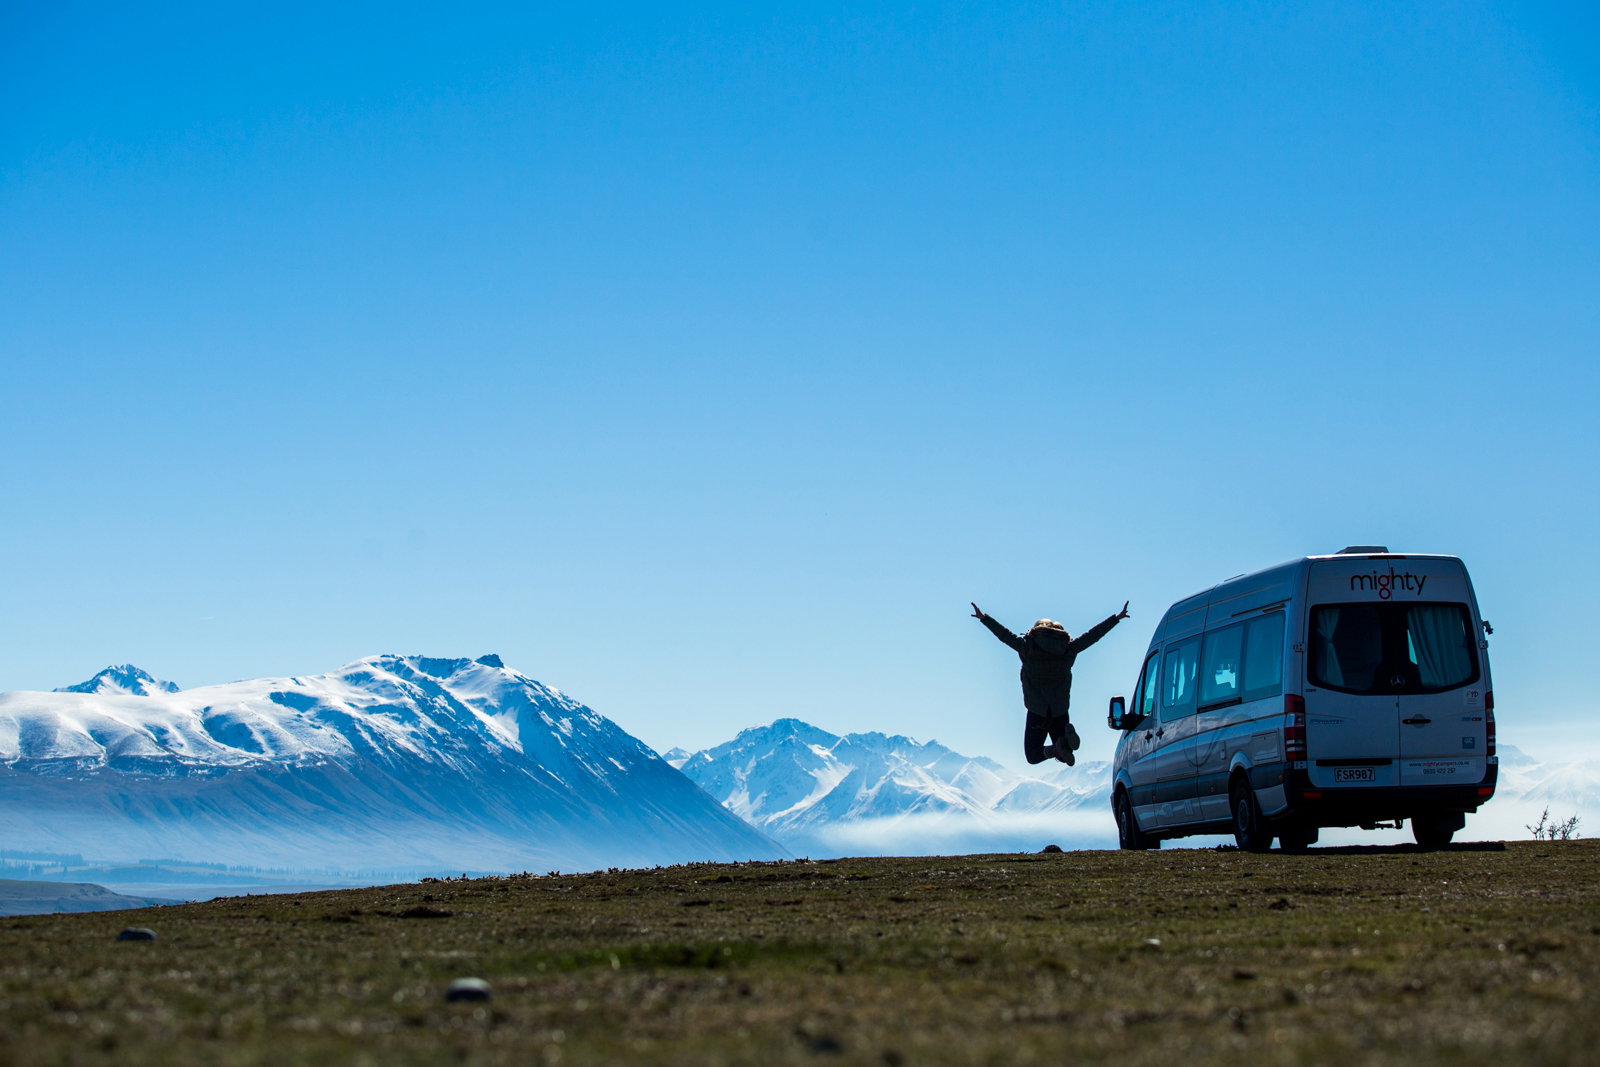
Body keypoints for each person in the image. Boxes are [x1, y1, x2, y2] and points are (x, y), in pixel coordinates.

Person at [971, 600, 1130, 766]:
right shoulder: (1068, 648)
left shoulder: (1028, 648)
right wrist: (1116, 618)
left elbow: (1004, 635)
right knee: (1064, 755)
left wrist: (984, 618)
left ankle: (1057, 748)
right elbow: (1093, 636)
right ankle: (1065, 743)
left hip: (1036, 711)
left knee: (1033, 755)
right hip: (1060, 711)